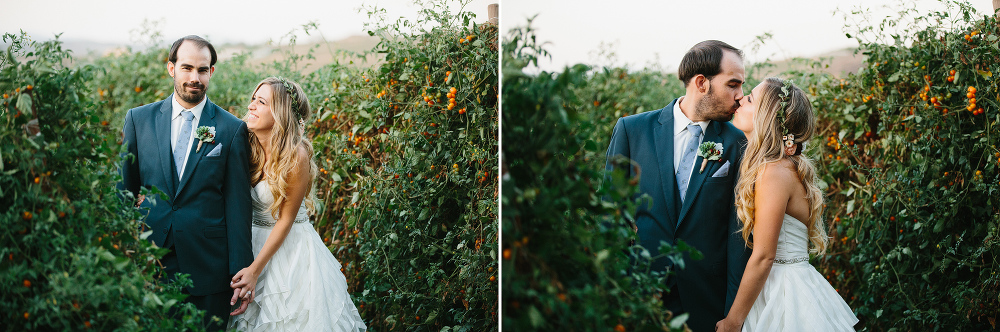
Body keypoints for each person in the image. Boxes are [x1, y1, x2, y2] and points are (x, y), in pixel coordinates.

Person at [605, 40, 751, 332]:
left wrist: (733, 313)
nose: (740, 96)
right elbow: (611, 216)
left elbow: (738, 237)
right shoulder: (632, 131)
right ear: (701, 83)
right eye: (733, 84)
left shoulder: (738, 143)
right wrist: (616, 292)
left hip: (707, 302)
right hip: (642, 296)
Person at [118, 35, 253, 330]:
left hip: (209, 268)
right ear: (171, 68)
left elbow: (238, 206)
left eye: (202, 70)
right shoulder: (139, 120)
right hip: (150, 260)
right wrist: (123, 255)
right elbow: (123, 191)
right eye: (187, 68)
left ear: (211, 72)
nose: (195, 78)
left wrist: (242, 271)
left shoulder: (231, 129)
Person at [715, 78, 858, 331]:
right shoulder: (779, 167)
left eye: (750, 99)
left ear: (766, 116)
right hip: (782, 284)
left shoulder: (774, 171)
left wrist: (732, 322)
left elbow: (764, 256)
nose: (740, 99)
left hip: (783, 293)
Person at [226, 77, 367, 331]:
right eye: (253, 99)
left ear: (280, 113)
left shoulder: (296, 155)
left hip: (290, 251)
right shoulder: (246, 145)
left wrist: (255, 271)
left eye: (261, 102)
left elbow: (286, 220)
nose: (251, 106)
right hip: (251, 242)